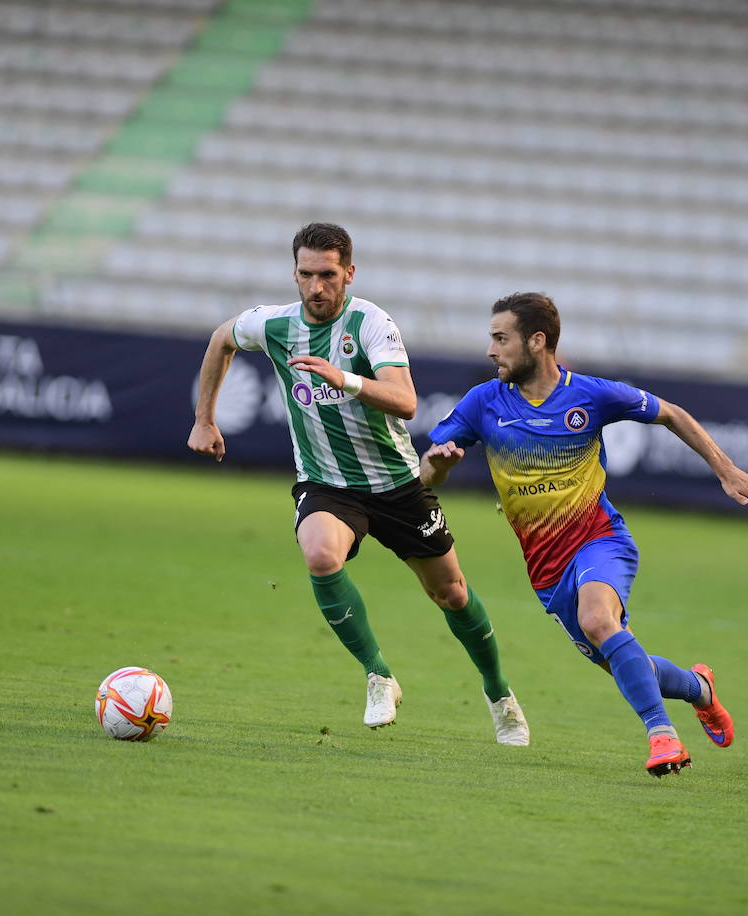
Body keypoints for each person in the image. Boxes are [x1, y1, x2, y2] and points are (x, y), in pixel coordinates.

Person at [187, 222, 528, 745]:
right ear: (295, 273)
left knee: (452, 593)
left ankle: (499, 693)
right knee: (321, 555)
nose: (317, 287)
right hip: (326, 484)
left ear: (349, 272)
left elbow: (406, 401)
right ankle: (378, 675)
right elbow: (220, 339)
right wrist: (204, 419)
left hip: (395, 482)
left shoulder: (371, 323)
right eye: (306, 275)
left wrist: (340, 377)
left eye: (328, 275)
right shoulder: (274, 324)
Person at [420, 292, 748, 777]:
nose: (491, 350)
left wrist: (725, 468)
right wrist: (437, 468)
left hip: (600, 540)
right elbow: (426, 473)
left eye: (501, 339)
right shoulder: (483, 402)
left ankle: (662, 736)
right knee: (620, 657)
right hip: (546, 571)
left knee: (597, 619)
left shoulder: (591, 394)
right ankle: (699, 689)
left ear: (537, 341)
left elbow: (670, 413)